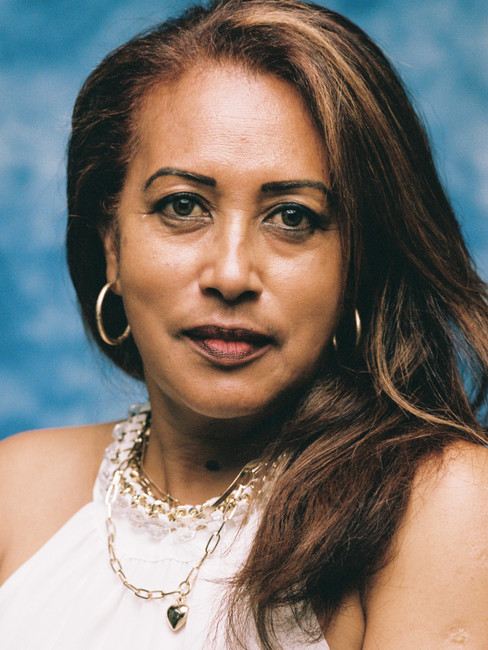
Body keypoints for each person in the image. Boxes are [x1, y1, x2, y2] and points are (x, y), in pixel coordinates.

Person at [1, 0, 488, 647]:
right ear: (111, 244)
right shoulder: (17, 486)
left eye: (293, 217)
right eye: (182, 206)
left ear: (359, 262)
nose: (231, 274)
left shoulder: (440, 505)